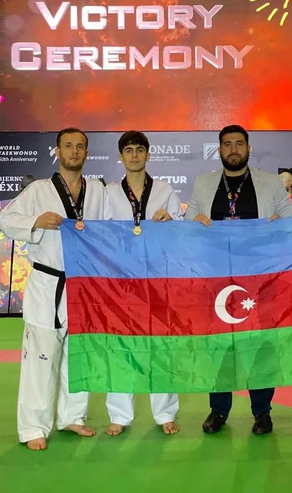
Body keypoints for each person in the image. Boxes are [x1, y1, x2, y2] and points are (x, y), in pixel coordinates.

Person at [0, 128, 109, 451]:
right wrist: (35, 221)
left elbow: (110, 229)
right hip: (48, 284)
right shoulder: (38, 190)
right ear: (57, 152)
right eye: (68, 146)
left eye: (80, 146)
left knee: (78, 356)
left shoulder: (98, 191)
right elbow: (6, 219)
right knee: (41, 358)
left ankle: (72, 416)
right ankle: (34, 426)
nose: (74, 151)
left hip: (83, 285)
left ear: (86, 152)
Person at [185, 124, 292, 435]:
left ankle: (262, 411)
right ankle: (218, 410)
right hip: (216, 278)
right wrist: (193, 222)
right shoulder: (203, 184)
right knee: (219, 345)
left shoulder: (271, 183)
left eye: (239, 143)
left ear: (249, 148)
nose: (233, 149)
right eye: (227, 144)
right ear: (219, 149)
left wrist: (280, 223)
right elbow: (186, 226)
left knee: (260, 346)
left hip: (259, 279)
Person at [104, 131, 182, 437]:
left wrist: (172, 222)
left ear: (148, 154)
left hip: (159, 279)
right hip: (121, 280)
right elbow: (99, 233)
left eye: (139, 150)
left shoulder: (165, 191)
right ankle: (119, 414)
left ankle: (165, 413)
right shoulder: (109, 193)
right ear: (121, 156)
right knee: (120, 347)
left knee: (161, 347)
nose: (134, 155)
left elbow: (180, 235)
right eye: (129, 150)